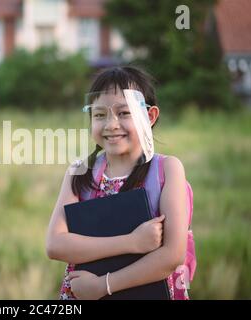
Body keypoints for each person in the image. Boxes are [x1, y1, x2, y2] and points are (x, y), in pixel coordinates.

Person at [46, 66, 196, 300]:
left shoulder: (166, 170)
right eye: (99, 114)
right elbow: (55, 245)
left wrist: (103, 286)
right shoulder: (79, 172)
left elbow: (172, 255)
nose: (111, 124)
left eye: (124, 113)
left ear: (150, 116)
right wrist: (132, 242)